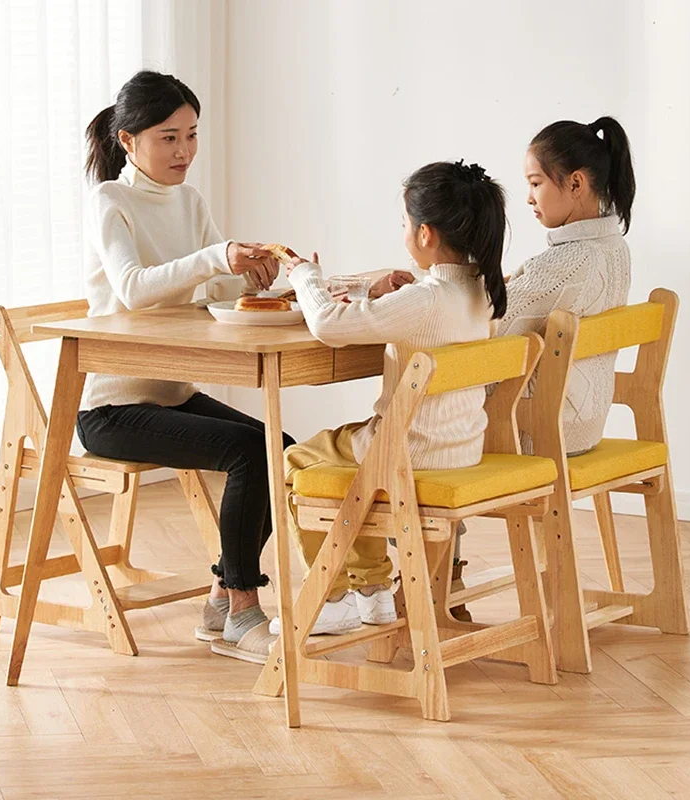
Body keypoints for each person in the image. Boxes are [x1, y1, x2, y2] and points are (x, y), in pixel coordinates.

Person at [77, 70, 293, 663]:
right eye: (168, 137)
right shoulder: (110, 201)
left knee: (284, 448)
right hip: (114, 408)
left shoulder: (189, 200)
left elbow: (212, 283)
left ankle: (223, 595)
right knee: (249, 453)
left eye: (192, 135)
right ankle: (243, 610)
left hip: (171, 396)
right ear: (128, 141)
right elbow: (134, 289)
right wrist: (215, 257)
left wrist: (254, 269)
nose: (184, 151)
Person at [270, 159, 508, 635]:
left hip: (409, 453)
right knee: (347, 458)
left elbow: (328, 326)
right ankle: (373, 592)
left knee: (297, 461)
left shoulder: (425, 301)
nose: (403, 233)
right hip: (460, 449)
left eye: (404, 224)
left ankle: (334, 596)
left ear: (425, 234)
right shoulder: (483, 292)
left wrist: (304, 276)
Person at [499, 116, 636, 455]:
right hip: (585, 423)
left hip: (539, 427)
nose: (530, 198)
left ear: (576, 184)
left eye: (536, 183)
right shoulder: (614, 249)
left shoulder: (570, 262)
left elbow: (493, 324)